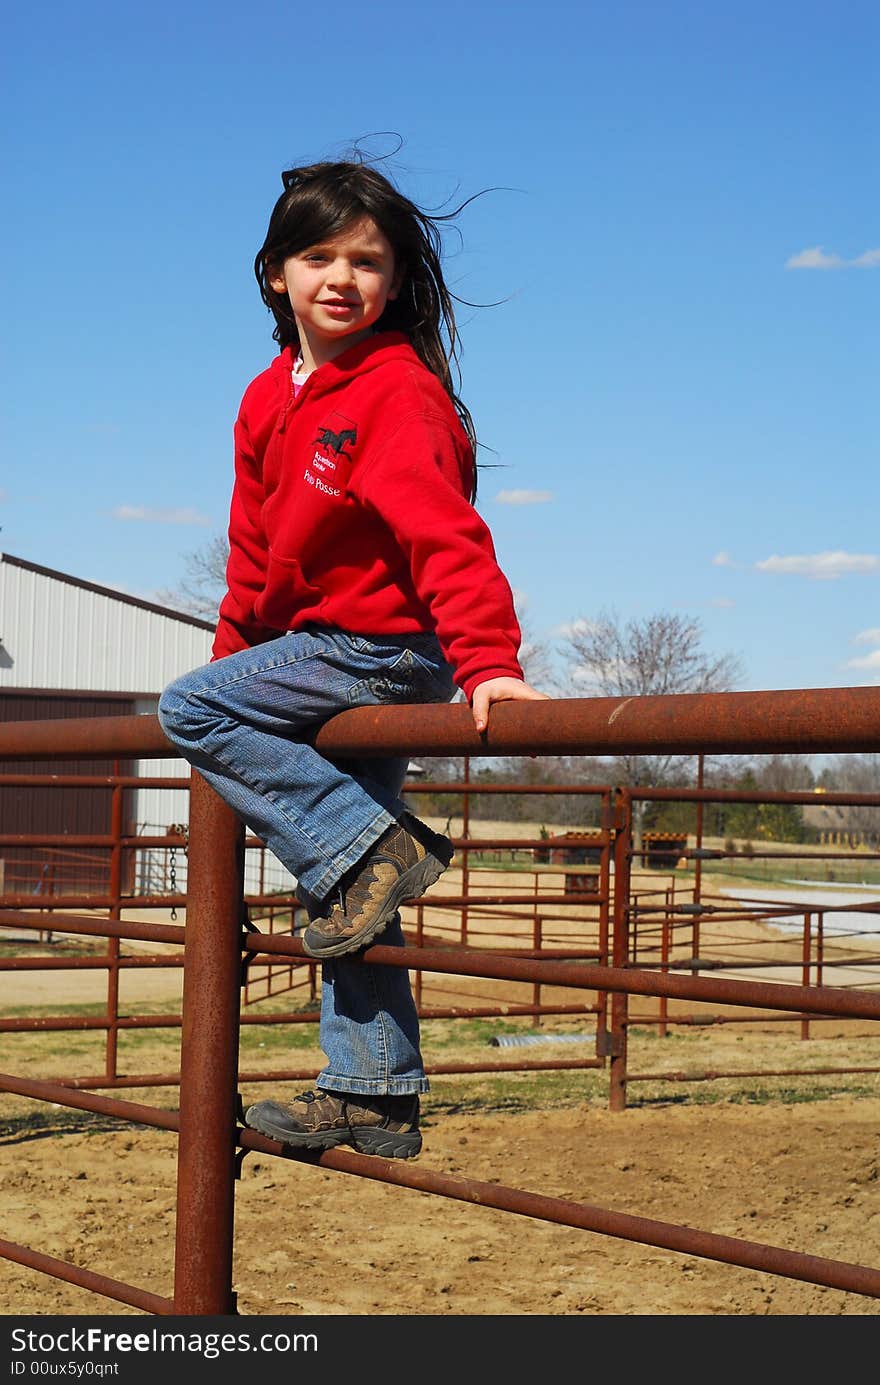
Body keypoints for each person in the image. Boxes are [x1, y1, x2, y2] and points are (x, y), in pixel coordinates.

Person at [158, 156, 548, 1159]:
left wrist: (486, 658)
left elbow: (443, 534)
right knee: (348, 882)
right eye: (317, 254)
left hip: (384, 650)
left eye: (367, 261)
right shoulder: (263, 399)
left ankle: (367, 850)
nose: (341, 277)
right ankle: (372, 1089)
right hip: (316, 650)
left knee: (191, 711)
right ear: (276, 273)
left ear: (396, 283)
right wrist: (235, 655)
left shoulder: (395, 392)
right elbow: (253, 555)